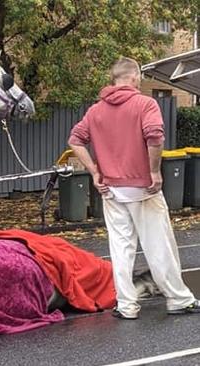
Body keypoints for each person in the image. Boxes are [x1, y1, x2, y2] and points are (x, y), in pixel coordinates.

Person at [68, 56, 200, 319]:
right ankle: (178, 299)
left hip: (111, 191)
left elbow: (75, 140)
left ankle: (126, 305)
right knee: (159, 244)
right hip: (143, 188)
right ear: (135, 77)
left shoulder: (95, 111)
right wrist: (153, 171)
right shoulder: (145, 104)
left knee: (120, 249)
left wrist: (95, 172)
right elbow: (154, 136)